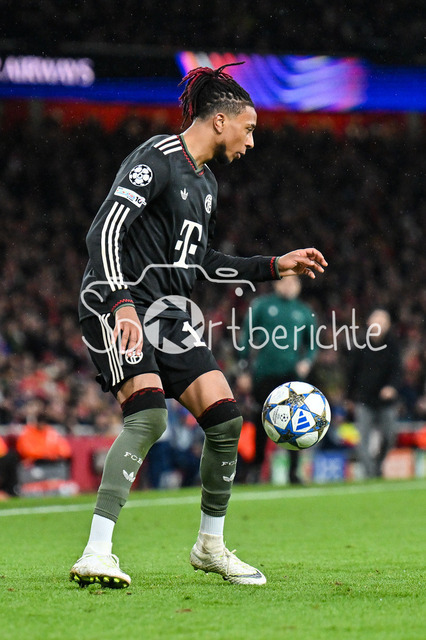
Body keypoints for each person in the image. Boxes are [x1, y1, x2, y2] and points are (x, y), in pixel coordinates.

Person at [70, 63, 327, 589]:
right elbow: (104, 231)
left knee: (226, 419)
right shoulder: (157, 157)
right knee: (148, 417)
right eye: (248, 129)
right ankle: (96, 551)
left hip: (167, 313)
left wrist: (273, 264)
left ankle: (210, 546)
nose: (251, 141)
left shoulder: (206, 183)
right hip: (114, 301)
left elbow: (202, 262)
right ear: (219, 121)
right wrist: (121, 304)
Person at [239, 276, 317, 483]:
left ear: (299, 286)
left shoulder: (303, 311)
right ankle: (256, 469)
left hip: (291, 375)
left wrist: (307, 361)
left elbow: (312, 343)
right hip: (264, 373)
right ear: (276, 283)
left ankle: (294, 471)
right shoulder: (262, 305)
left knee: (295, 422)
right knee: (261, 421)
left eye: (293, 282)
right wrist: (243, 369)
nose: (289, 286)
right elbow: (246, 336)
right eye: (286, 281)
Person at [346, 309, 401, 478]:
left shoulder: (393, 345)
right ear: (369, 323)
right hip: (364, 399)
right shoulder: (360, 344)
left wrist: (392, 387)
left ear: (388, 325)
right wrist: (349, 397)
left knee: (389, 436)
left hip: (386, 401)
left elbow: (397, 370)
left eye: (382, 322)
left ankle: (378, 464)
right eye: (376, 321)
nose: (379, 325)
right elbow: (351, 372)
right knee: (362, 439)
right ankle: (371, 473)